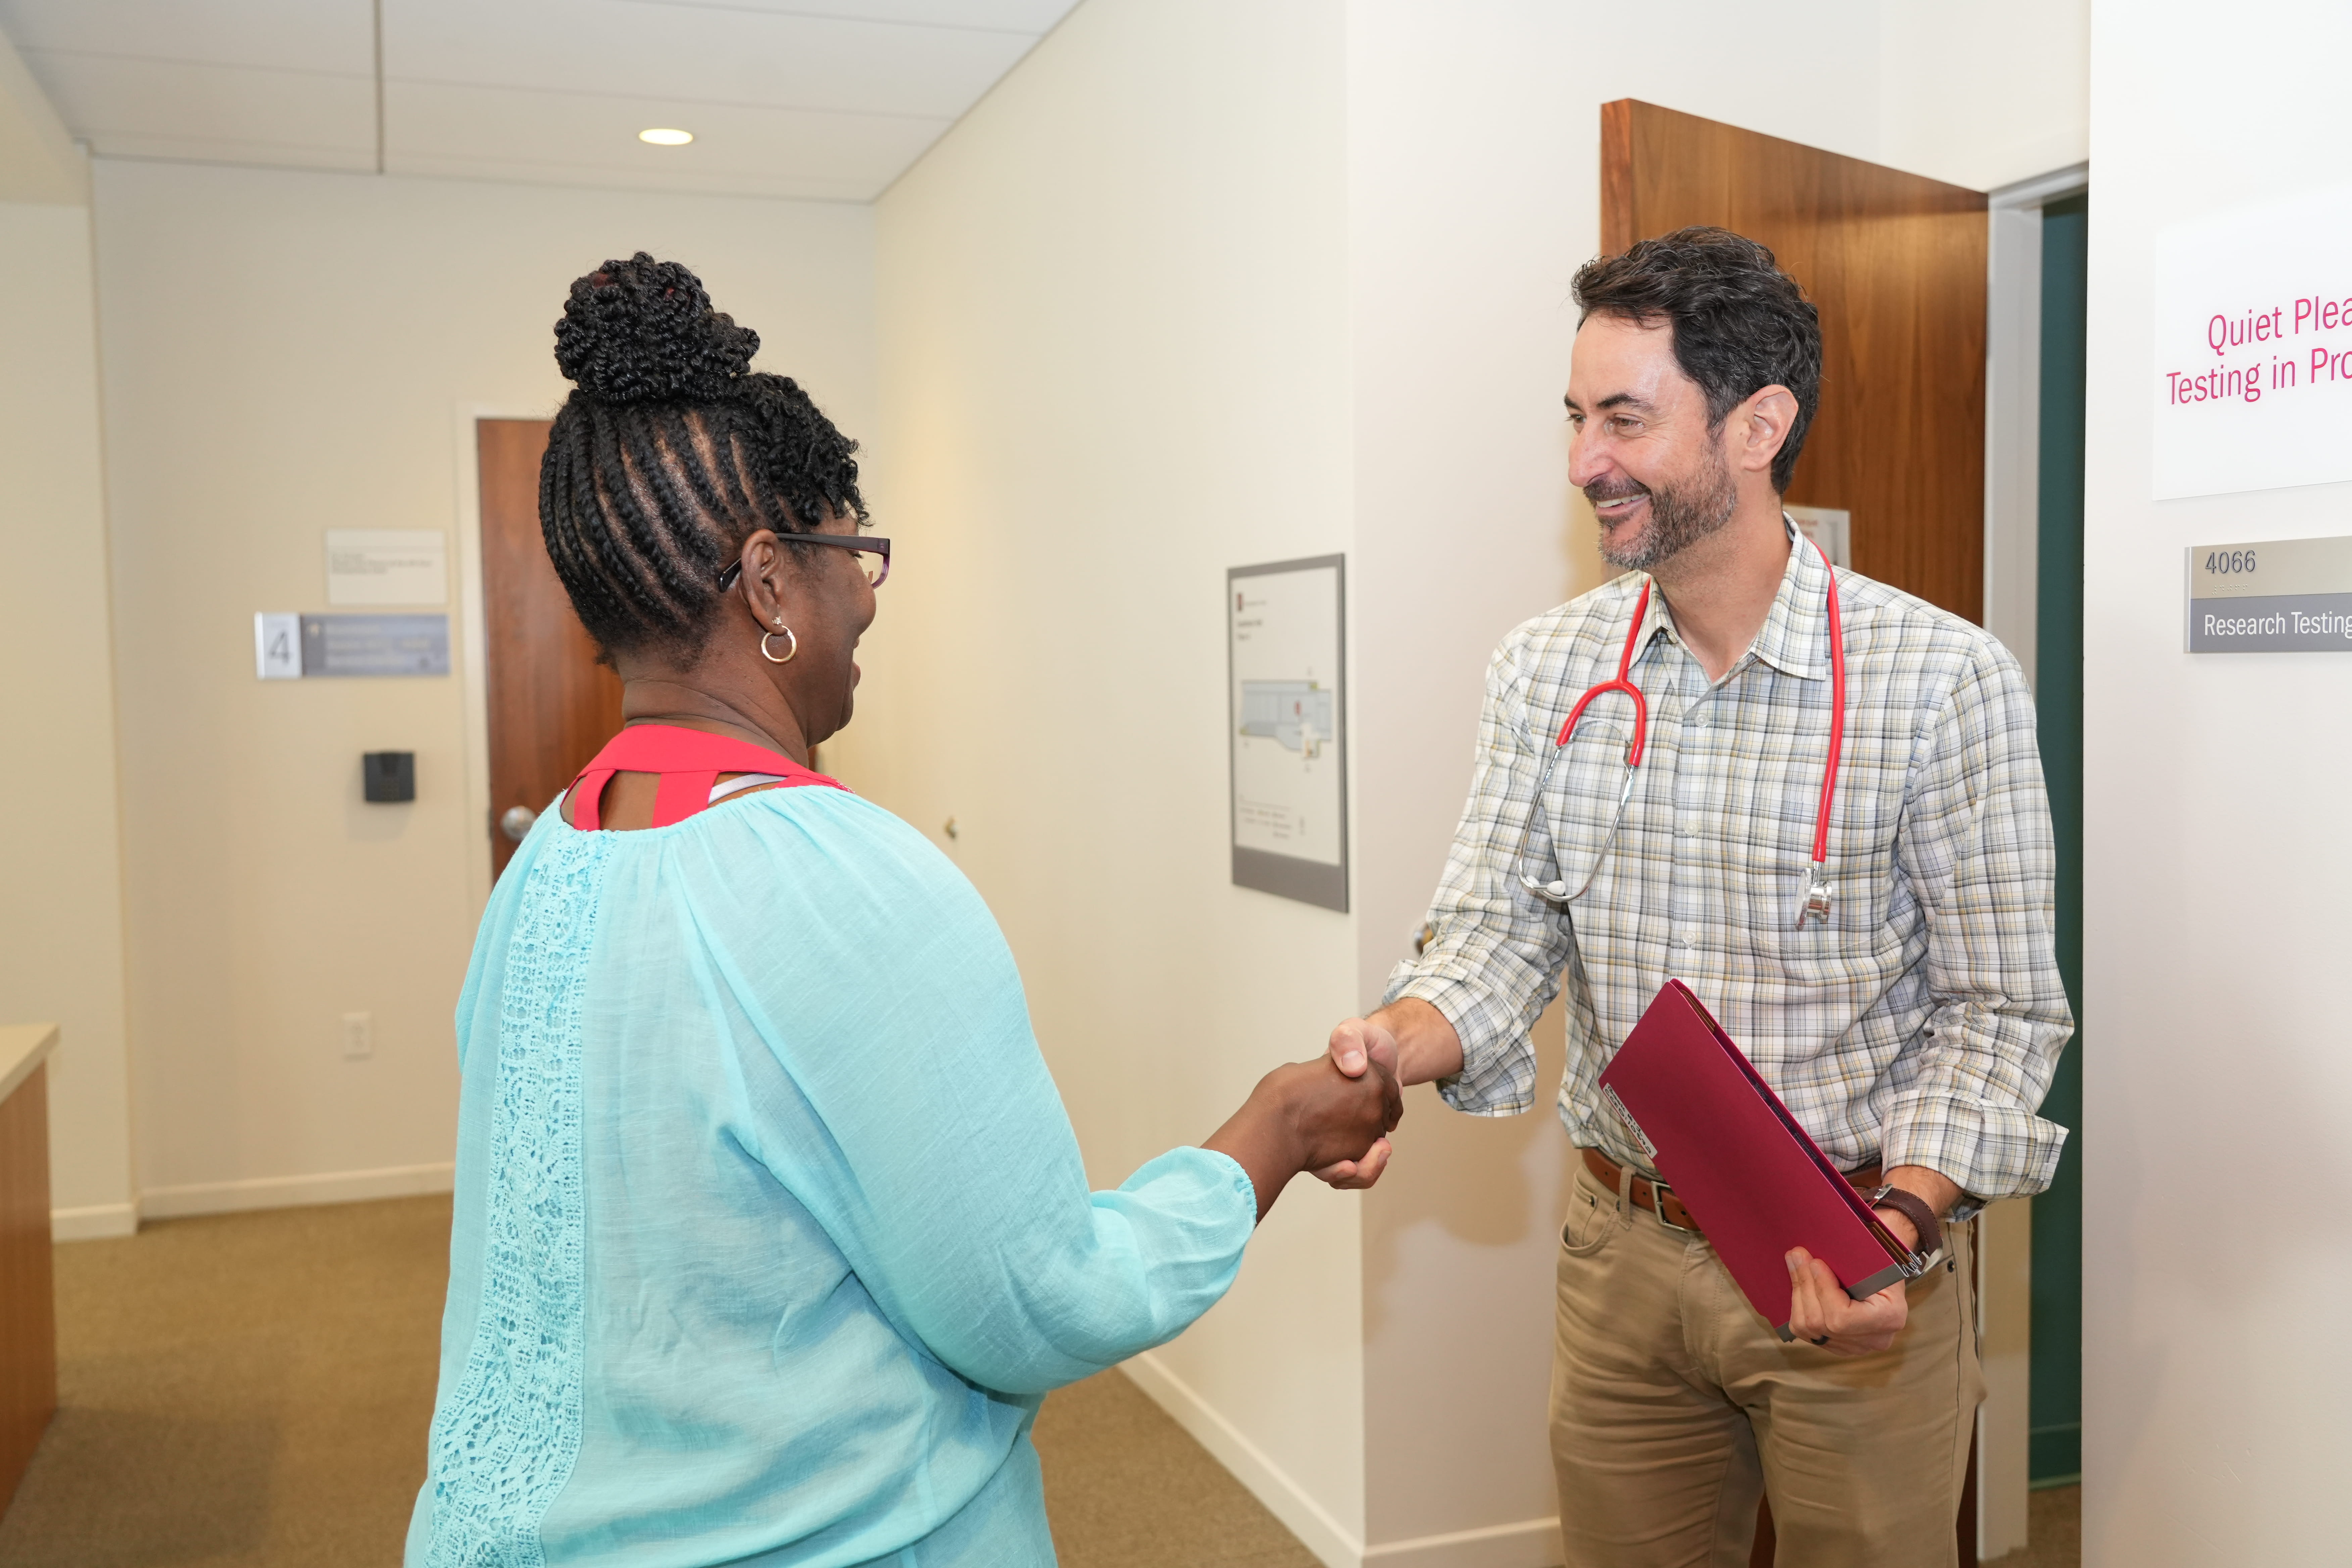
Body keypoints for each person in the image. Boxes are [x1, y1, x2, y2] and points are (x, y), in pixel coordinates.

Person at [406, 253, 1400, 1568]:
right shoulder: (845, 881)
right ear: (770, 584)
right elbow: (1037, 1299)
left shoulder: (546, 863)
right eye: (849, 552)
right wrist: (1272, 1130)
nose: (869, 590)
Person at [1316, 228, 2071, 1568]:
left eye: (1624, 417)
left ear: (1756, 425)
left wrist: (1895, 1229)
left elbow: (1998, 1012)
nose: (1582, 462)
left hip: (1849, 1252)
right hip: (1624, 1260)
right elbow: (1498, 929)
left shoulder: (1942, 680)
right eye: (1574, 417)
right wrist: (1396, 1042)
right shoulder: (1549, 670)